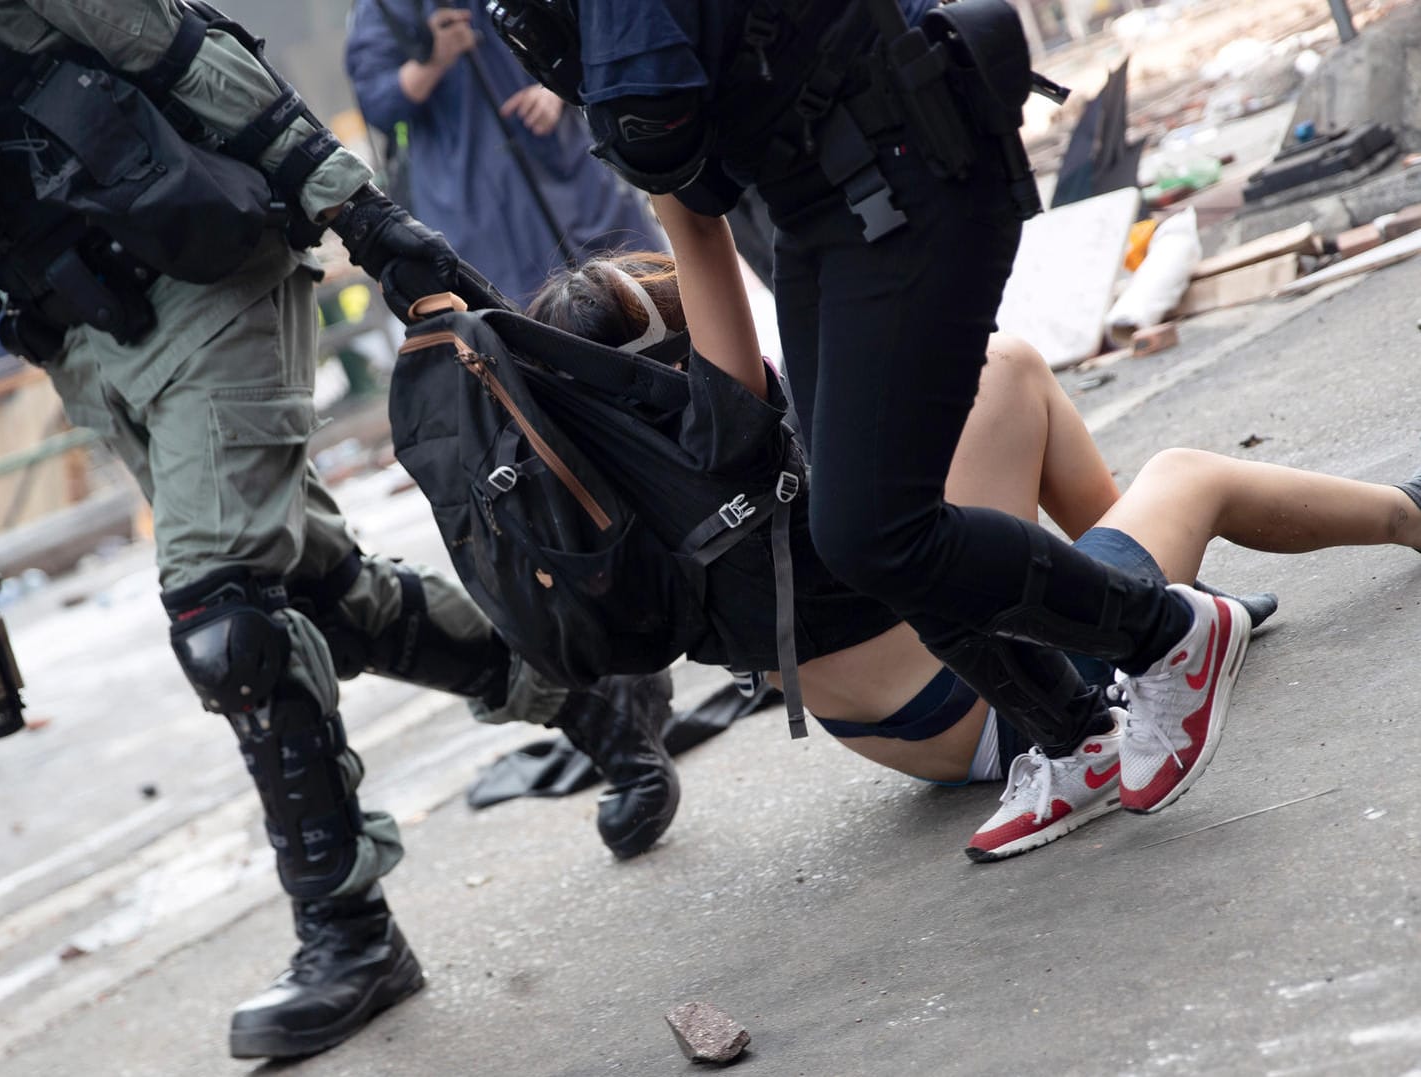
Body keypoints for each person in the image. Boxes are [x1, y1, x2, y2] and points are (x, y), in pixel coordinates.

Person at [0, 0, 677, 1060]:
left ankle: (348, 931)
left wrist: (359, 214)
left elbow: (185, 51)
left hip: (200, 267)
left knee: (228, 621)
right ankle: (588, 693)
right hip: (76, 340)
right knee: (308, 595)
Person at [495, 0, 1258, 844]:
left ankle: (1151, 643)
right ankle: (1119, 680)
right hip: (819, 200)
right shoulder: (707, 444)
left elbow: (665, 147)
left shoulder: (661, 476)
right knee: (890, 499)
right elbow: (694, 187)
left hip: (895, 161)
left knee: (875, 525)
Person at [526, 206, 1421, 860]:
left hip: (908, 739)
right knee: (1172, 463)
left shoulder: (602, 493)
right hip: (997, 704)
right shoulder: (719, 427)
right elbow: (697, 224)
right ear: (685, 340)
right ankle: (1395, 518)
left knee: (995, 384)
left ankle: (1149, 604)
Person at [345, 0, 665, 305]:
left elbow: (597, 32)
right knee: (530, 336)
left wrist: (555, 91)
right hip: (478, 217)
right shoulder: (382, 9)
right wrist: (433, 61)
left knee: (643, 295)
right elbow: (376, 102)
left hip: (578, 182)